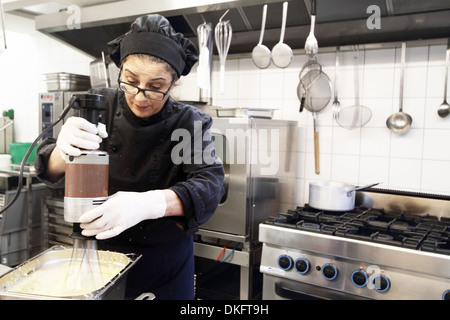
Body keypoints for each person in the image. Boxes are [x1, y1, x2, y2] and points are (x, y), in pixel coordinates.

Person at [35, 14, 225, 300]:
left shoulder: (190, 122)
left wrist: (147, 205)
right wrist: (62, 151)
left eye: (156, 86)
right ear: (120, 71)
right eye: (131, 81)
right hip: (97, 255)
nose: (139, 96)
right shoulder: (100, 104)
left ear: (173, 84)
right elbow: (50, 169)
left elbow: (210, 188)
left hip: (163, 266)